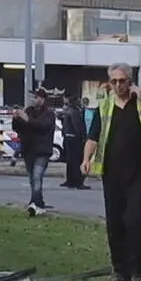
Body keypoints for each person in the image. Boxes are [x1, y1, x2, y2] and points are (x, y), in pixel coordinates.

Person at [82, 64, 141, 281]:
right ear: (109, 83)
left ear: (130, 81)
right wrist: (86, 159)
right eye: (115, 81)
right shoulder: (104, 107)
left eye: (123, 81)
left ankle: (138, 270)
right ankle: (120, 269)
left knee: (134, 220)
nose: (119, 85)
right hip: (112, 173)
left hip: (139, 171)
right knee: (115, 222)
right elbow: (93, 136)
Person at [14, 87, 58, 215]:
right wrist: (16, 118)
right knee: (32, 178)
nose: (34, 100)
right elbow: (19, 128)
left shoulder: (49, 113)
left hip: (42, 150)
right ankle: (39, 202)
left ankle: (35, 203)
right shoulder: (28, 111)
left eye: (36, 97)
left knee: (37, 176)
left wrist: (26, 119)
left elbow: (42, 126)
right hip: (28, 149)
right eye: (33, 97)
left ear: (43, 99)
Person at [60, 94, 89, 189]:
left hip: (68, 138)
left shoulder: (68, 111)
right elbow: (78, 126)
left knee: (70, 161)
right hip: (75, 139)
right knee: (76, 161)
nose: (80, 102)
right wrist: (83, 138)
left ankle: (70, 180)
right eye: (78, 100)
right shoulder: (75, 111)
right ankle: (77, 182)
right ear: (75, 101)